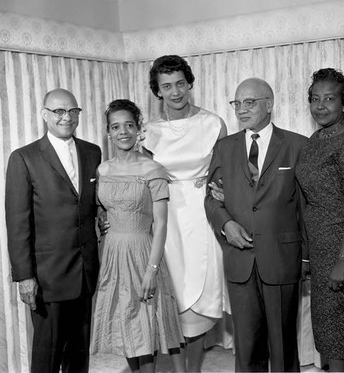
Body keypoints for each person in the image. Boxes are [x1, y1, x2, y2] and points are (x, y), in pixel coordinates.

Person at [204, 77, 308, 372]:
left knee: (284, 345)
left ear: (269, 104)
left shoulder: (297, 145)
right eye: (237, 103)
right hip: (240, 260)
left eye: (249, 102)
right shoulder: (224, 147)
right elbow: (211, 199)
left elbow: (305, 206)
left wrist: (306, 257)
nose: (241, 109)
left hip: (281, 257)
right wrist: (226, 225)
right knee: (247, 346)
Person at [5, 88, 101, 373]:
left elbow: (90, 204)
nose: (67, 117)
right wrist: (24, 276)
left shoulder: (91, 151)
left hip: (85, 271)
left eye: (73, 111)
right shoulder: (24, 158)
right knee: (47, 357)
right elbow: (17, 222)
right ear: (45, 114)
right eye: (59, 111)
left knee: (78, 355)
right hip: (48, 277)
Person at [143, 55, 227, 372]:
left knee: (199, 290)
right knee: (173, 293)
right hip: (165, 215)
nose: (175, 92)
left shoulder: (213, 123)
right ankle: (179, 369)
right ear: (158, 91)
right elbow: (141, 179)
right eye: (167, 86)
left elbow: (224, 171)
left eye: (180, 83)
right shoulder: (147, 132)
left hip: (202, 213)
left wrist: (222, 191)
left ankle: (192, 369)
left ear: (189, 83)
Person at [90, 99, 184, 373]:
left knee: (144, 330)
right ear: (109, 132)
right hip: (112, 255)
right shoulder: (103, 170)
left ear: (138, 129)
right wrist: (100, 216)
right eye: (116, 126)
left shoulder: (152, 169)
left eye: (129, 125)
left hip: (143, 254)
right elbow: (101, 207)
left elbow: (162, 224)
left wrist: (152, 270)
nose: (123, 132)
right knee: (124, 329)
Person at [295, 68, 344, 372]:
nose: (320, 105)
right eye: (315, 99)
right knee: (331, 333)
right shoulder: (316, 139)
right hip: (320, 247)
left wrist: (343, 260)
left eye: (329, 98)